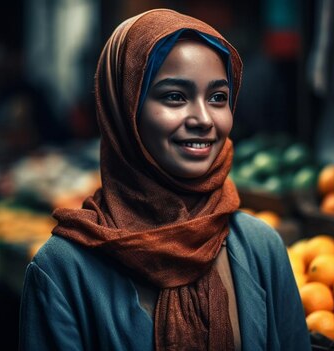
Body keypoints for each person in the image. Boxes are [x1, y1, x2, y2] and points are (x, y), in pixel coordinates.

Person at [19, 8, 311, 350]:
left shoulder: (261, 247)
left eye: (218, 97)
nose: (203, 118)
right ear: (124, 109)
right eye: (175, 96)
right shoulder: (61, 271)